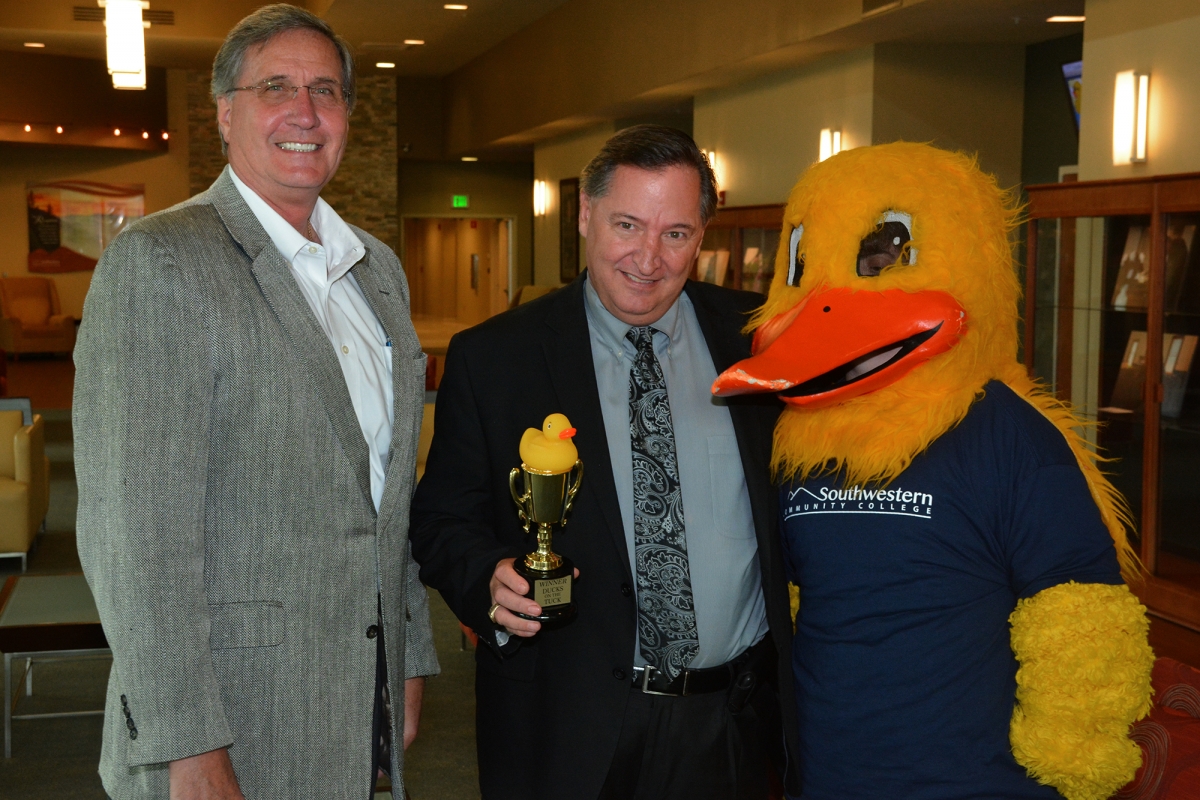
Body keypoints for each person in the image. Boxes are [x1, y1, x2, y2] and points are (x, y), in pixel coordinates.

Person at [74, 6, 438, 799]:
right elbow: (133, 536)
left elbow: (388, 497)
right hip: (227, 716)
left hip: (355, 699)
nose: (305, 112)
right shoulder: (160, 262)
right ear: (226, 111)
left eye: (327, 90)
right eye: (276, 86)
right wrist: (187, 744)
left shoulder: (376, 271)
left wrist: (407, 657)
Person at [410, 124, 799, 800]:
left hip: (736, 726)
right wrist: (486, 579)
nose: (648, 256)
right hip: (567, 727)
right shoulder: (498, 358)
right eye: (628, 224)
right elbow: (442, 518)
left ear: (702, 236)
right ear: (585, 216)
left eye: (675, 232)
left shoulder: (762, 340)